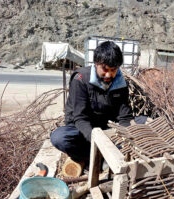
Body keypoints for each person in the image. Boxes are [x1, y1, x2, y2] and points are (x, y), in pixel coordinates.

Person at [50, 41, 136, 172]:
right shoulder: (80, 79)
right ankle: (94, 157)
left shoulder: (120, 83)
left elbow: (124, 117)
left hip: (106, 129)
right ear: (96, 64)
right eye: (105, 69)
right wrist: (99, 142)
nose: (109, 75)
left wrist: (128, 136)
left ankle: (105, 156)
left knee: (140, 122)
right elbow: (80, 118)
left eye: (113, 70)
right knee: (59, 138)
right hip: (82, 130)